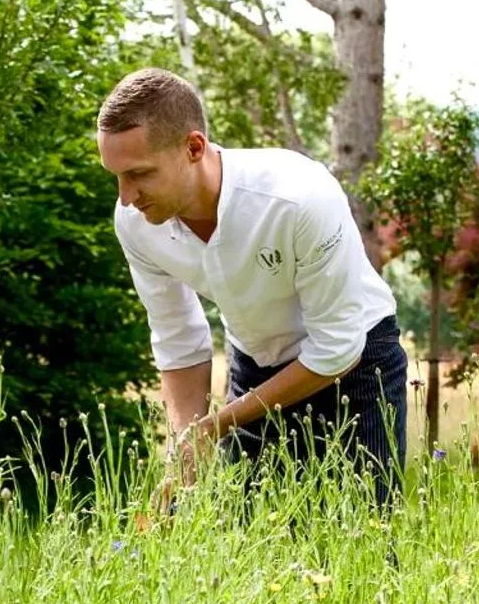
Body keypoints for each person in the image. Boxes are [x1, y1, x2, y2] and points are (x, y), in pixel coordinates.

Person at [95, 67, 408, 496]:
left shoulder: (298, 198)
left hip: (354, 365)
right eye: (116, 175)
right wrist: (188, 444)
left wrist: (218, 424)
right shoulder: (136, 221)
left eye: (139, 174)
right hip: (255, 364)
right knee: (254, 550)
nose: (125, 197)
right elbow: (178, 337)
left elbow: (336, 348)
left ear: (193, 147)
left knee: (360, 546)